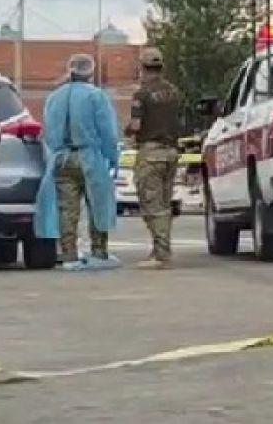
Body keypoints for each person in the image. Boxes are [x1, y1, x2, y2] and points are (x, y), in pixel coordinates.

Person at [34, 54, 120, 270]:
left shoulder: (54, 97)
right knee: (98, 205)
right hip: (91, 157)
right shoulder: (97, 96)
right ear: (90, 72)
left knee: (67, 209)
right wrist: (112, 158)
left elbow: (48, 132)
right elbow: (107, 132)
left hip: (62, 158)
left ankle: (69, 254)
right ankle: (99, 251)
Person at [126, 47, 182, 269]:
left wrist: (128, 130)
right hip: (171, 152)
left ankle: (161, 253)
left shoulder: (142, 94)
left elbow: (136, 124)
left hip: (151, 153)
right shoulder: (174, 92)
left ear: (142, 67)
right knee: (164, 204)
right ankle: (160, 248)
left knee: (152, 205)